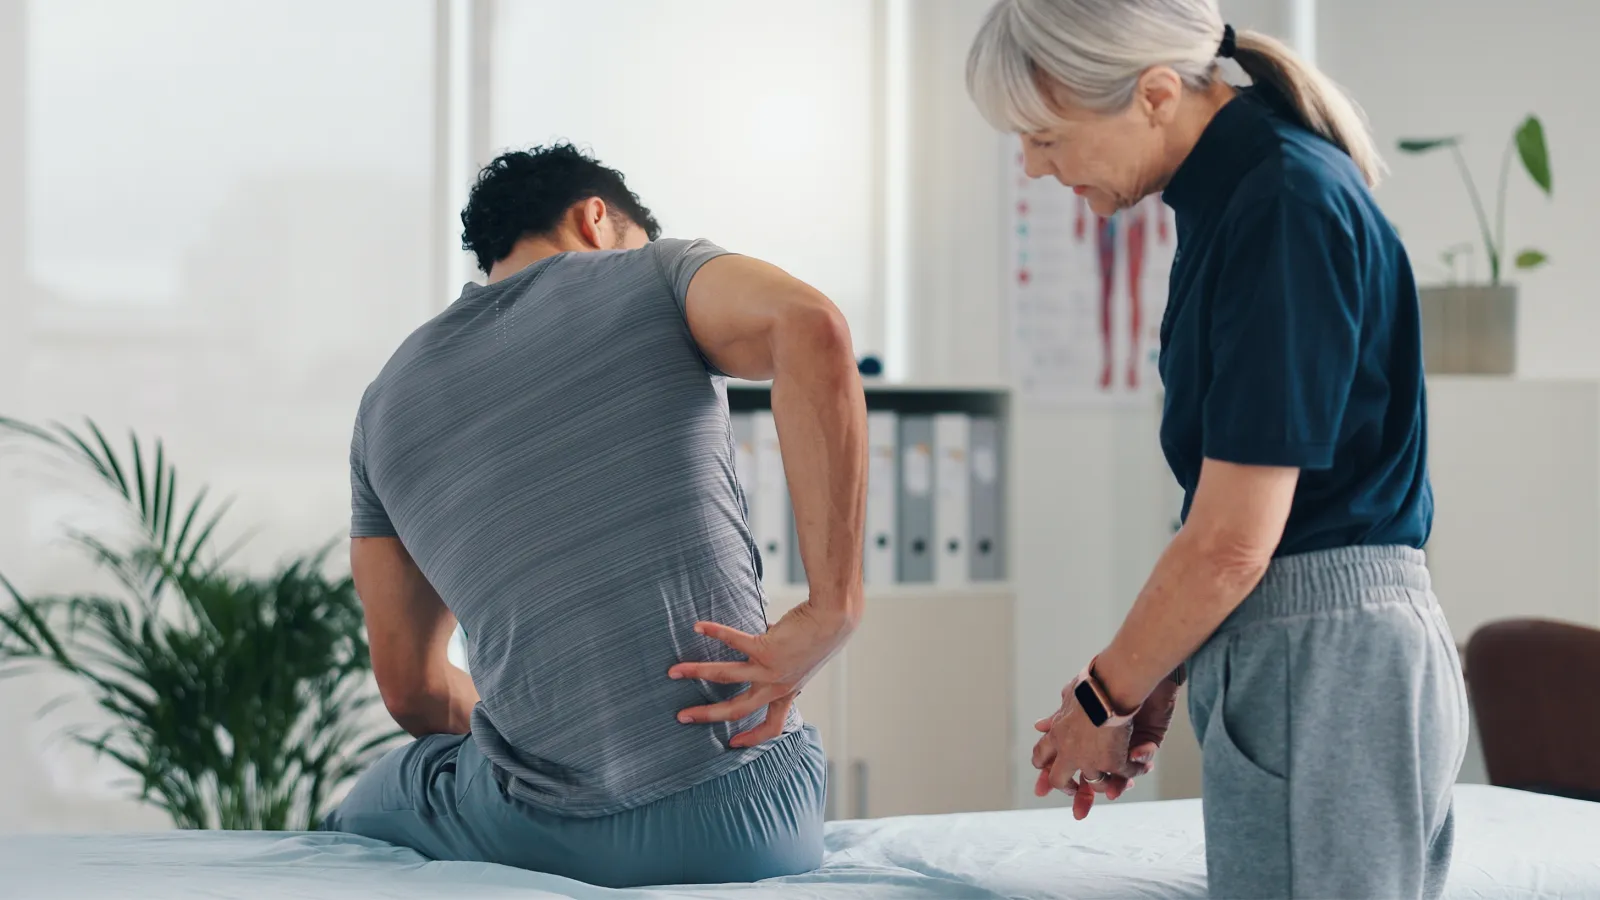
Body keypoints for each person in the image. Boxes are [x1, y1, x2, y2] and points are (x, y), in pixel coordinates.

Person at [967, 3, 1468, 898]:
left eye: (1046, 137)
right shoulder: (1245, 196)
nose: (1035, 167)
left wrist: (1102, 700)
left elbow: (1236, 539)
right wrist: (1156, 673)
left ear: (1156, 94)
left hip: (1326, 662)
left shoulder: (1281, 202)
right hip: (1321, 650)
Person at [323, 143, 868, 888]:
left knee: (387, 788)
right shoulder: (656, 274)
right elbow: (813, 325)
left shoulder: (382, 409)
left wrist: (555, 732)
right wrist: (833, 606)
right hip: (762, 822)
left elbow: (411, 692)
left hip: (544, 832)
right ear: (597, 220)